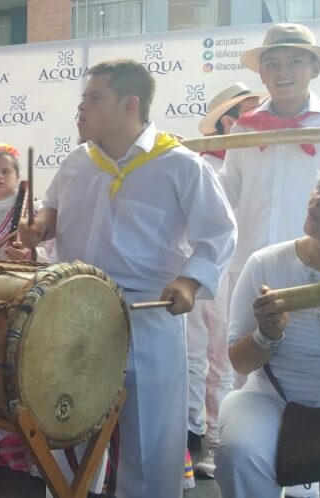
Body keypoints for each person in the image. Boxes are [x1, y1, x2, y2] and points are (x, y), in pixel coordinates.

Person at [19, 59, 236, 497]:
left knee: (152, 438)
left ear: (129, 104)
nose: (81, 109)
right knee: (66, 429)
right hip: (73, 309)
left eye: (94, 99)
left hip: (148, 314)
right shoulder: (78, 159)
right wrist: (40, 228)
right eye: (82, 99)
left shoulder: (181, 165)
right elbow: (53, 209)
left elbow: (219, 233)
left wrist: (189, 283)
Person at [214, 156, 320, 498]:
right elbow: (239, 363)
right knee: (240, 454)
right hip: (271, 396)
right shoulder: (266, 264)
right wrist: (266, 334)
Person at [220, 22, 320, 297]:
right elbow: (227, 190)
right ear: (261, 73)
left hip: (315, 264)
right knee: (243, 339)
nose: (282, 72)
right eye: (272, 64)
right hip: (249, 265)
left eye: (295, 61)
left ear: (315, 68)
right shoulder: (244, 128)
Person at [187, 81, 262, 479]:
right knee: (199, 353)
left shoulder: (257, 159)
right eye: (249, 113)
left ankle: (220, 438)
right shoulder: (198, 163)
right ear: (229, 122)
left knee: (226, 355)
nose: (258, 119)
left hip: (244, 269)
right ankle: (195, 436)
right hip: (200, 270)